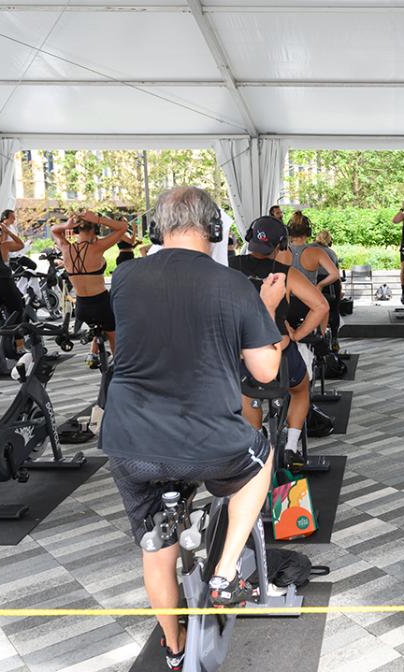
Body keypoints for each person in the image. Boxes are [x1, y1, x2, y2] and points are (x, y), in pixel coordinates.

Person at [100, 187, 286, 670]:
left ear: (156, 228)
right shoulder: (233, 285)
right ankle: (225, 573)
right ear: (215, 228)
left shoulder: (124, 277)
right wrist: (266, 307)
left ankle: (174, 648)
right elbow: (265, 372)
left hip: (129, 441)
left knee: (154, 545)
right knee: (260, 455)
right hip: (206, 443)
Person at [231, 216, 329, 470]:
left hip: (244, 357)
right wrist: (298, 334)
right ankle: (290, 446)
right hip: (281, 353)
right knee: (300, 390)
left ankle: (256, 443)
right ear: (281, 244)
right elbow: (321, 306)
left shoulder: (227, 268)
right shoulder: (285, 273)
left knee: (249, 396)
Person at [51, 210, 128, 364]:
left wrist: (67, 224)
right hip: (101, 304)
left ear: (76, 229)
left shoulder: (66, 248)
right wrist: (99, 218)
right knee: (114, 338)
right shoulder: (98, 246)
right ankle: (120, 369)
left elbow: (54, 231)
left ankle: (92, 355)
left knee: (97, 327)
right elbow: (122, 228)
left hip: (81, 307)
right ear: (95, 229)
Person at [280, 212, 339, 325]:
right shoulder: (317, 252)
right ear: (308, 233)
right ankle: (320, 337)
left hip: (286, 306)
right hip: (309, 305)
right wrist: (320, 286)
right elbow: (335, 274)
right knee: (325, 307)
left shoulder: (279, 252)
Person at [314, 229, 343, 351]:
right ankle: (335, 338)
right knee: (334, 310)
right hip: (331, 284)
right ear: (329, 240)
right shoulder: (331, 253)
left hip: (314, 283)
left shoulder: (309, 249)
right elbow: (336, 273)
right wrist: (340, 289)